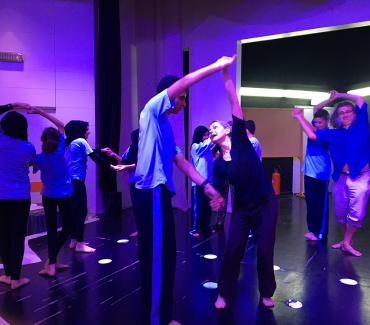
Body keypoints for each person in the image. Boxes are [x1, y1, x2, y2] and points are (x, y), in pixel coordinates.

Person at [133, 56, 233, 325]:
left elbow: (181, 161)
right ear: (171, 96)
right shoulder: (152, 109)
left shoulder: (165, 127)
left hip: (160, 192)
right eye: (182, 98)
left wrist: (207, 186)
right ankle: (155, 320)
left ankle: (162, 316)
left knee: (166, 258)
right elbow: (185, 82)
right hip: (150, 191)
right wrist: (215, 67)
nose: (184, 103)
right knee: (156, 259)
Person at [212, 66, 278, 310]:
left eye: (214, 127)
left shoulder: (241, 139)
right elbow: (218, 191)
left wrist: (226, 76)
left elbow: (234, 102)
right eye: (209, 130)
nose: (211, 131)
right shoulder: (218, 164)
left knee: (263, 250)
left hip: (265, 203)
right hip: (241, 208)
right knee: (233, 251)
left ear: (228, 129)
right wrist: (215, 199)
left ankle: (266, 292)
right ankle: (223, 291)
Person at [292, 90, 369, 257]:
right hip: (340, 177)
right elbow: (312, 134)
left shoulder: (362, 124)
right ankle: (345, 240)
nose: (345, 114)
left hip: (360, 177)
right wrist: (299, 117)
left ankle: (347, 242)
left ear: (355, 113)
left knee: (356, 213)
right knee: (340, 212)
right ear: (337, 117)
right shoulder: (333, 133)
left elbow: (359, 98)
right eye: (341, 113)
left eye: (349, 111)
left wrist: (340, 95)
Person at [29, 107, 72, 276]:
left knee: (52, 229)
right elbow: (62, 125)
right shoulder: (60, 153)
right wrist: (40, 112)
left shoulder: (38, 159)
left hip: (48, 196)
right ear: (56, 140)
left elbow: (30, 166)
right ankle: (52, 261)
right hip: (65, 195)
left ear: (42, 140)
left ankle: (52, 262)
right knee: (67, 227)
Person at [65, 120, 120, 253]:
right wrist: (111, 167)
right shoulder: (81, 141)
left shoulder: (69, 143)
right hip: (77, 182)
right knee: (81, 211)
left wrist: (101, 150)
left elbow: (89, 152)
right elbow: (94, 157)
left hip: (68, 182)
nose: (88, 131)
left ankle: (74, 240)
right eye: (87, 129)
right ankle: (80, 243)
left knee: (74, 211)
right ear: (80, 131)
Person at [0, 104, 35, 289]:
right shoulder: (28, 147)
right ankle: (15, 278)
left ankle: (6, 275)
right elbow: (30, 165)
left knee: (3, 236)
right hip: (20, 197)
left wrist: (12, 105)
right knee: (17, 236)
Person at [295, 105, 331, 242]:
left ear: (327, 121)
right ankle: (313, 231)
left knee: (320, 205)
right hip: (309, 173)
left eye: (320, 122)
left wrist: (299, 116)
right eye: (315, 122)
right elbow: (316, 108)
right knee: (310, 203)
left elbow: (311, 135)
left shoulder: (326, 133)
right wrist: (329, 99)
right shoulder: (315, 127)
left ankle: (321, 234)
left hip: (321, 175)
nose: (317, 124)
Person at [101, 128, 139, 236]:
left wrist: (126, 167)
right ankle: (140, 229)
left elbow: (142, 164)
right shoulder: (131, 147)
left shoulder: (146, 148)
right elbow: (124, 160)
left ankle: (148, 230)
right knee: (136, 206)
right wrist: (112, 154)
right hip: (133, 181)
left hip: (144, 181)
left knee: (144, 207)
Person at [190, 125, 215, 237]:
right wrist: (213, 135)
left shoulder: (207, 148)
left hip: (208, 183)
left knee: (207, 207)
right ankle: (195, 229)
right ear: (199, 135)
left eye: (207, 135)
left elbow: (212, 144)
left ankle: (205, 227)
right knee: (198, 207)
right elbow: (207, 144)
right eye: (204, 135)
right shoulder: (195, 147)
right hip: (198, 183)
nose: (206, 137)